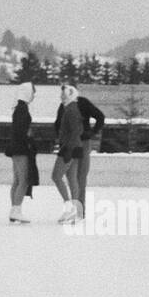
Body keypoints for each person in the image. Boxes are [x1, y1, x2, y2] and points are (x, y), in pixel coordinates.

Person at [54, 91, 106, 215]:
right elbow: (58, 124)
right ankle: (75, 210)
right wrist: (62, 141)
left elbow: (100, 116)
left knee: (80, 176)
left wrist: (92, 133)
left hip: (82, 143)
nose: (62, 95)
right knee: (72, 176)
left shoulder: (82, 102)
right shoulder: (64, 105)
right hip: (69, 144)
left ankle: (79, 210)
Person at [7, 83, 38, 223]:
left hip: (16, 148)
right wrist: (29, 139)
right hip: (21, 148)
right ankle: (16, 210)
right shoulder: (22, 109)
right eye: (33, 92)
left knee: (17, 181)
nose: (34, 95)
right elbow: (20, 131)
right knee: (24, 180)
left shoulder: (18, 107)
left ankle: (14, 209)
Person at [53, 84, 84, 223]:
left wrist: (68, 150)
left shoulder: (71, 110)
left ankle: (69, 209)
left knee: (56, 176)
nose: (61, 97)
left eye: (63, 95)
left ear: (69, 95)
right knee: (72, 179)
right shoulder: (72, 108)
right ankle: (75, 211)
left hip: (69, 148)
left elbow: (75, 131)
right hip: (74, 147)